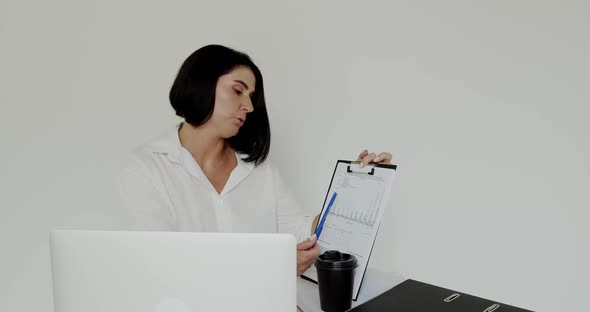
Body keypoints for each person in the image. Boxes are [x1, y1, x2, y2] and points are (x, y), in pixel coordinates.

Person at [118, 44, 393, 278]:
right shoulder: (147, 168)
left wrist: (354, 189)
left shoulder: (260, 171)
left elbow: (300, 234)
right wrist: (274, 268)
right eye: (238, 91)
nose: (249, 106)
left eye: (251, 97)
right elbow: (161, 268)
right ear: (201, 84)